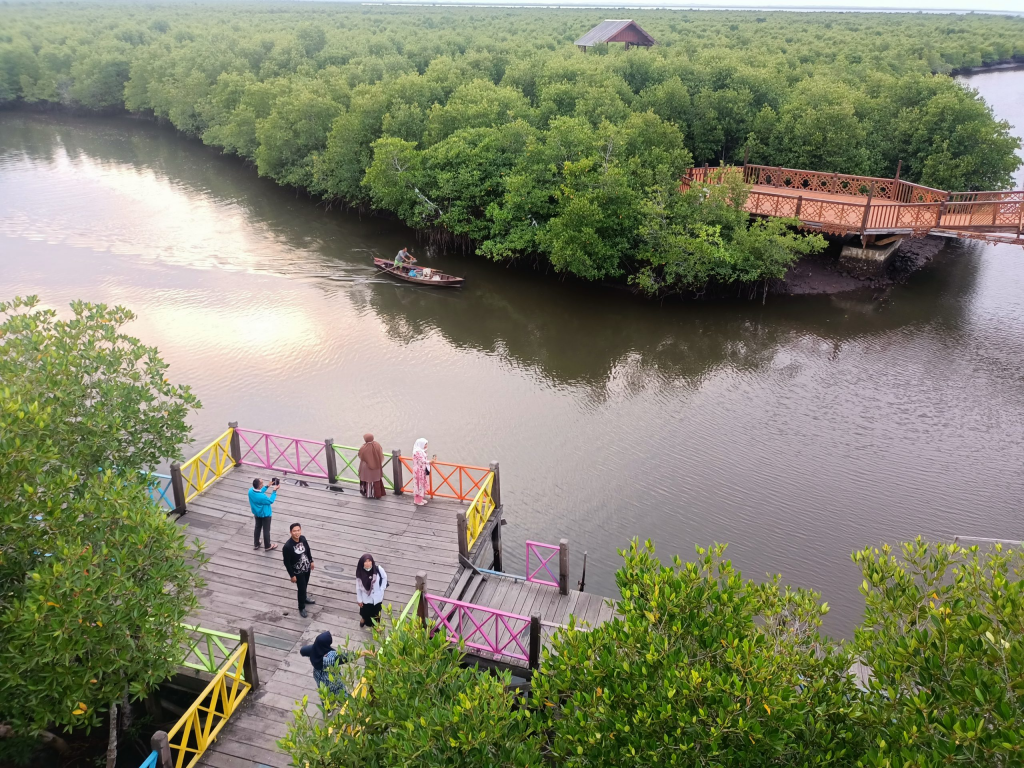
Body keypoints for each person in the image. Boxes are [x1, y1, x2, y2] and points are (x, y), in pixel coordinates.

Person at [299, 631, 372, 702]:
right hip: (330, 676)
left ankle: (327, 709)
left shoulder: (314, 649)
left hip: (318, 675)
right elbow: (346, 657)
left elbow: (302, 651)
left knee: (324, 693)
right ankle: (346, 703)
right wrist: (362, 653)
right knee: (339, 690)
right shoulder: (331, 657)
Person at [283, 522, 316, 618]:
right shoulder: (287, 546)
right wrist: (292, 575)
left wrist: (311, 560)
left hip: (306, 568)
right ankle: (301, 607)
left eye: (298, 530)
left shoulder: (303, 539)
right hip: (297, 572)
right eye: (294, 531)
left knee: (305, 585)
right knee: (301, 588)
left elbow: (308, 550)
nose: (297, 533)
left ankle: (304, 598)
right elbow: (286, 562)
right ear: (290, 532)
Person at [356, 553, 388, 628]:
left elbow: (384, 577)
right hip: (366, 598)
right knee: (365, 611)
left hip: (377, 597)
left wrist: (382, 588)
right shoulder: (360, 573)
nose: (368, 563)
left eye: (369, 561)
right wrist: (359, 600)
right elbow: (358, 587)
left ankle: (377, 625)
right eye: (365, 561)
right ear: (362, 563)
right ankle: (364, 618)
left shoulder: (378, 569)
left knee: (377, 612)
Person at [249, 478, 280, 551]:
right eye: (262, 483)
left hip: (257, 513)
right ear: (259, 486)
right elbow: (270, 501)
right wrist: (274, 490)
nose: (263, 484)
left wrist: (267, 486)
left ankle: (256, 544)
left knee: (257, 528)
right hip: (265, 514)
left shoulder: (250, 491)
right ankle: (267, 546)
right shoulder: (262, 497)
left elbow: (259, 491)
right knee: (266, 530)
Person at [357, 433, 386, 499]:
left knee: (368, 480)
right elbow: (380, 454)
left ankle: (368, 494)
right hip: (377, 466)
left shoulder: (364, 447)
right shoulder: (377, 445)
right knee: (376, 480)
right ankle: (377, 494)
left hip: (367, 467)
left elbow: (360, 455)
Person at [412, 438, 430, 506]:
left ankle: (421, 498)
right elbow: (422, 461)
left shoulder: (421, 451)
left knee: (422, 485)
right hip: (418, 471)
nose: (426, 445)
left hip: (422, 470)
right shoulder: (417, 452)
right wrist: (430, 462)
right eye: (425, 444)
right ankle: (417, 501)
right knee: (418, 485)